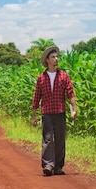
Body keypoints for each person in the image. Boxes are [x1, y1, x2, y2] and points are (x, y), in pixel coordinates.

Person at [32, 46, 78, 176]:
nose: (56, 59)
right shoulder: (41, 78)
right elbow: (36, 97)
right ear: (47, 60)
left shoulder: (63, 76)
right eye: (53, 57)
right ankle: (48, 165)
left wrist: (74, 109)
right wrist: (34, 115)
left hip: (60, 111)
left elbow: (70, 93)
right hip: (47, 112)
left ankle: (58, 166)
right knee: (47, 139)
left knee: (60, 139)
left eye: (57, 57)